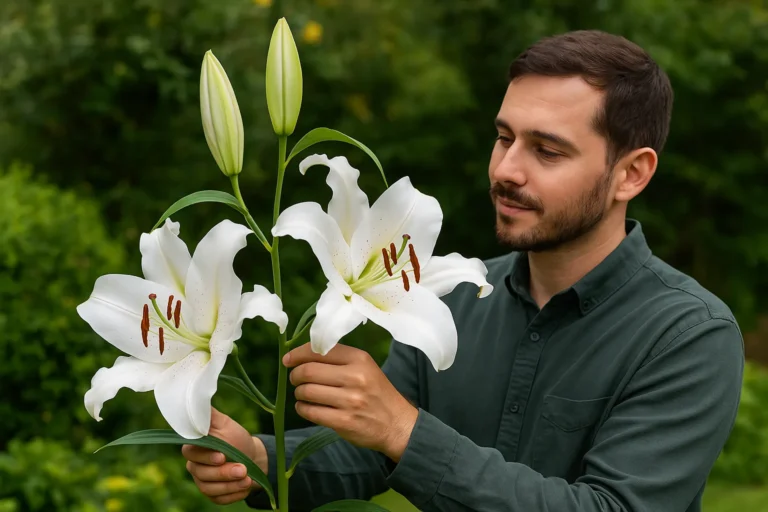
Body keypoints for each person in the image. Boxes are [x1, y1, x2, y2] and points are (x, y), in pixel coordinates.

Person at [182, 29, 744, 512]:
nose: (506, 169)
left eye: (547, 151)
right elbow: (368, 451)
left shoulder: (688, 336)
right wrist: (258, 458)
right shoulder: (453, 296)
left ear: (632, 174)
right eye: (504, 138)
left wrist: (405, 430)